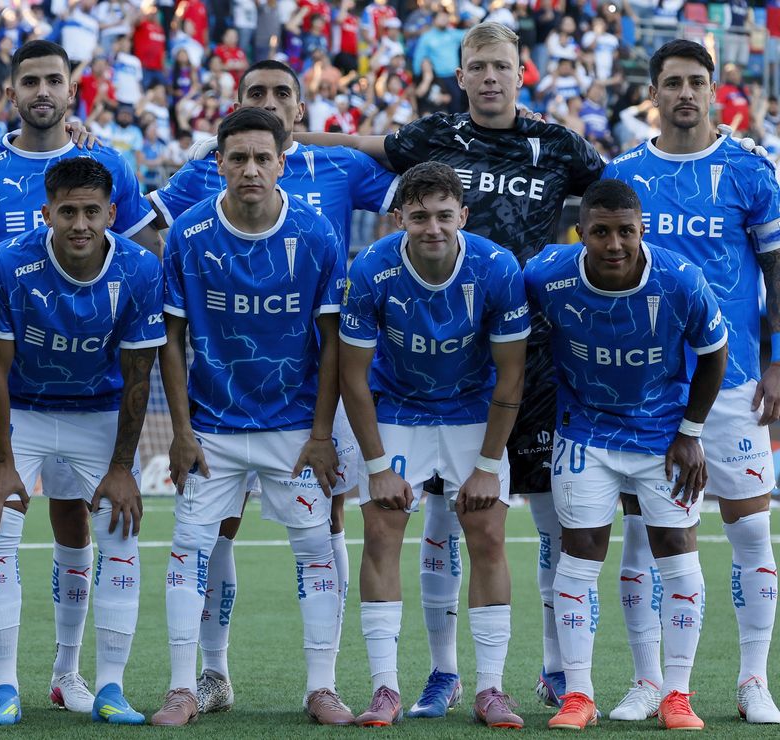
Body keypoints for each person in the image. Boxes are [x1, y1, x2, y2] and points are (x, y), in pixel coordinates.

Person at [297, 21, 607, 712]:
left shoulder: (561, 145)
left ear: (522, 72)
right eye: (478, 66)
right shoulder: (431, 140)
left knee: (544, 519)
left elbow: (617, 196)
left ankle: (556, 670)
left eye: (502, 65)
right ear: (460, 75)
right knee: (433, 519)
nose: (490, 76)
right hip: (427, 374)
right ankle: (438, 674)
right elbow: (360, 145)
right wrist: (291, 137)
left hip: (525, 359)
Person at [147, 58, 397, 713]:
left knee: (317, 548)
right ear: (220, 164)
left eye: (263, 157)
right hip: (215, 427)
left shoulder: (316, 236)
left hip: (294, 427)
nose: (251, 169)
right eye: (238, 158)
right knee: (190, 548)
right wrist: (179, 431)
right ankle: (185, 686)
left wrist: (320, 434)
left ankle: (321, 687)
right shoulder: (190, 235)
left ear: (283, 161)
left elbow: (333, 342)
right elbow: (171, 339)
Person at [0, 39, 161, 717]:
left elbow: (144, 251)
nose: (41, 91)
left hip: (93, 391)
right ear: (11, 91)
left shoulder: (108, 162)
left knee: (78, 524)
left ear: (71, 86)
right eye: (28, 80)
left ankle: (73, 674)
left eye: (53, 80)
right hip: (6, 383)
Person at [603, 39, 780, 723]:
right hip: (642, 389)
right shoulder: (625, 173)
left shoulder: (749, 170)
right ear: (654, 91)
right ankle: (650, 681)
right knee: (644, 537)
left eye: (696, 82)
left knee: (750, 535)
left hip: (733, 384)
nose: (685, 93)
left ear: (713, 91)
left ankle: (753, 679)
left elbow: (775, 272)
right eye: (672, 81)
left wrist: (776, 360)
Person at [524, 179, 728, 731]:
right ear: (581, 233)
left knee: (676, 551)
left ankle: (677, 694)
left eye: (626, 232)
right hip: (585, 433)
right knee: (581, 551)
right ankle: (579, 696)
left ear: (643, 230)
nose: (614, 244)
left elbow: (714, 354)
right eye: (601, 232)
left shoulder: (680, 279)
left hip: (663, 436)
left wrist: (691, 432)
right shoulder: (548, 275)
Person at [0, 157, 164, 725]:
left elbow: (138, 376)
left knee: (119, 531)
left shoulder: (140, 269)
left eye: (91, 212)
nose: (80, 224)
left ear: (111, 213)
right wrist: (2, 462)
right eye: (68, 212)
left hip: (99, 411)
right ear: (47, 213)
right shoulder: (8, 264)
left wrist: (124, 467)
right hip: (22, 410)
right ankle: (4, 687)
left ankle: (106, 686)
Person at [339, 162, 528, 728]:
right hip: (399, 409)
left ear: (463, 216)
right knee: (381, 530)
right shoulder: (371, 269)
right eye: (419, 216)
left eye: (445, 215)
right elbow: (353, 377)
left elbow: (511, 375)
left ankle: (492, 689)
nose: (433, 228)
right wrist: (376, 466)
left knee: (489, 534)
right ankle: (385, 689)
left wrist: (490, 465)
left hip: (474, 411)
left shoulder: (497, 267)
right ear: (399, 219)